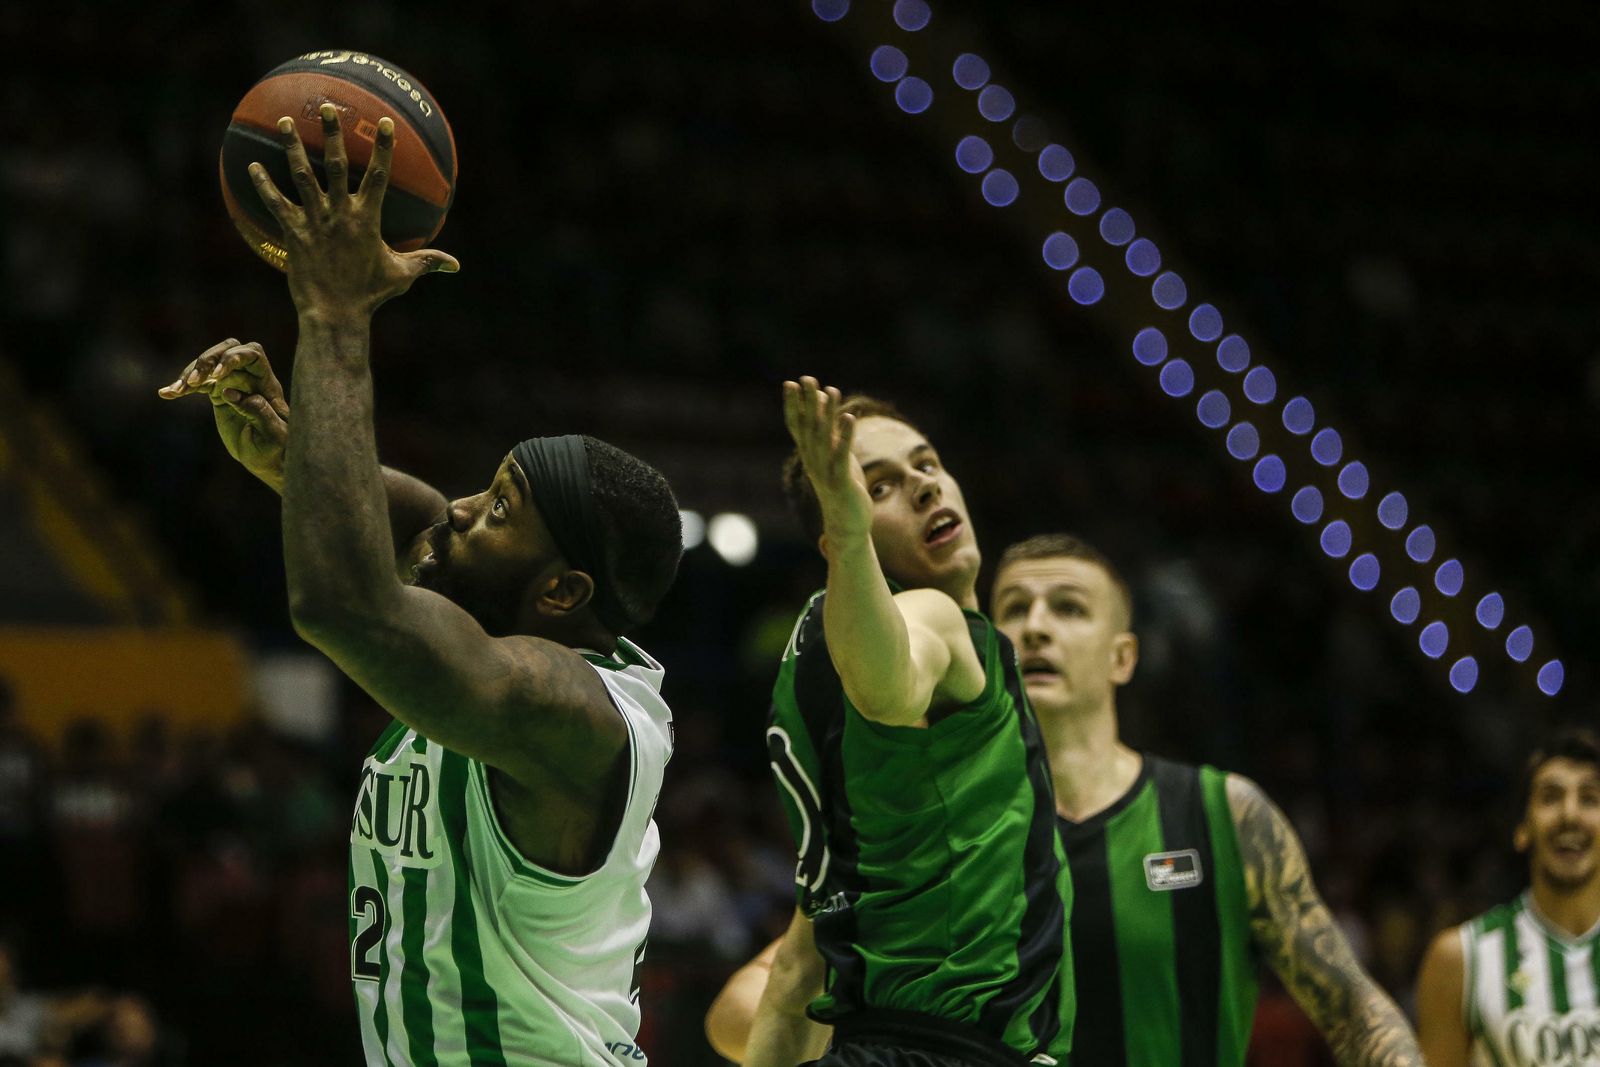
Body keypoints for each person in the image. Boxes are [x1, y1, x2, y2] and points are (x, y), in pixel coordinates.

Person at [158, 106, 682, 1065]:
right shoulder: (500, 632)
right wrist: (292, 454)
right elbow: (421, 522)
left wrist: (334, 313)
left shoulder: (570, 711)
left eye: (501, 507)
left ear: (561, 592)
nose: (464, 506)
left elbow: (346, 602)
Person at [715, 533, 1424, 1066]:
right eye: (1014, 608)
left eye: (1070, 608)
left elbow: (1353, 1007)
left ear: (1123, 656)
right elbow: (750, 1000)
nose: (1036, 625)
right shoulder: (947, 827)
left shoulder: (1224, 814)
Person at [744, 383, 1072, 1067]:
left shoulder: (810, 662)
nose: (924, 486)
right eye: (879, 486)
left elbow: (796, 975)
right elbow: (890, 684)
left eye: (926, 463)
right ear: (837, 533)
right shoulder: (933, 618)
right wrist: (850, 531)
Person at [1415, 728, 1600, 1067]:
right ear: (1522, 829)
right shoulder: (1461, 959)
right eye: (1550, 797)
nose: (1570, 815)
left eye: (1590, 799)